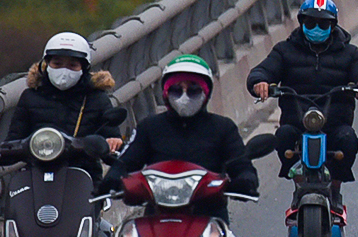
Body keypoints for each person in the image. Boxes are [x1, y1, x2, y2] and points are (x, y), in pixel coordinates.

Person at [246, 0, 358, 208]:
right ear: (301, 23)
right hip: (297, 122)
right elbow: (264, 70)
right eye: (310, 23)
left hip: (335, 123)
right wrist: (260, 82)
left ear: (333, 25)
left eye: (323, 24)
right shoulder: (284, 50)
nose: (316, 28)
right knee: (283, 136)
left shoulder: (349, 53)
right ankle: (299, 187)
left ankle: (335, 189)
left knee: (348, 140)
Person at [103, 55, 257, 222]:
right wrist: (112, 179)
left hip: (209, 218)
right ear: (165, 92)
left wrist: (245, 180)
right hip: (157, 219)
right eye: (177, 89)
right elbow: (127, 160)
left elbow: (240, 163)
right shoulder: (149, 127)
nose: (185, 96)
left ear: (206, 92)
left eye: (193, 89)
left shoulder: (223, 128)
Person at [0, 33, 125, 176]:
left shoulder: (97, 99)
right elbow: (15, 141)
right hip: (37, 174)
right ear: (46, 65)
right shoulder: (31, 97)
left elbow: (111, 143)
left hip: (84, 176)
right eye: (57, 64)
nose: (64, 71)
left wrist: (113, 143)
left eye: (73, 65)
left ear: (84, 68)